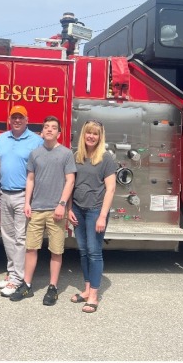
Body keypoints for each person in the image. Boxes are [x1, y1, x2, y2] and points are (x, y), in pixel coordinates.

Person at [9, 116, 76, 306]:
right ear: (41, 132)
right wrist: (27, 203)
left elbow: (70, 180)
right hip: (36, 210)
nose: (49, 130)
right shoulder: (35, 154)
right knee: (31, 248)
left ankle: (52, 288)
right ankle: (27, 285)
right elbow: (30, 179)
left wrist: (62, 204)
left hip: (56, 210)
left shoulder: (66, 153)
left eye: (53, 128)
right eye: (46, 127)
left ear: (59, 133)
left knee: (56, 251)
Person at [0, 105, 43, 297]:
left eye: (21, 117)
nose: (17, 120)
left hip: (23, 195)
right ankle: (11, 273)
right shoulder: (2, 138)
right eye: (14, 117)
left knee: (21, 238)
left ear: (27, 120)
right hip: (4, 193)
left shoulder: (36, 141)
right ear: (9, 119)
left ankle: (17, 279)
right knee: (7, 236)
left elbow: (40, 170)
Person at [67, 119, 116, 313]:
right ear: (83, 134)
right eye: (88, 132)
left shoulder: (106, 158)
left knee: (94, 253)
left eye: (95, 133)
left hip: (96, 210)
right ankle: (86, 289)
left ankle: (94, 296)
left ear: (100, 137)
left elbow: (111, 189)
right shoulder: (76, 156)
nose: (91, 136)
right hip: (78, 208)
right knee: (83, 251)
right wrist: (70, 208)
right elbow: (70, 184)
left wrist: (102, 216)